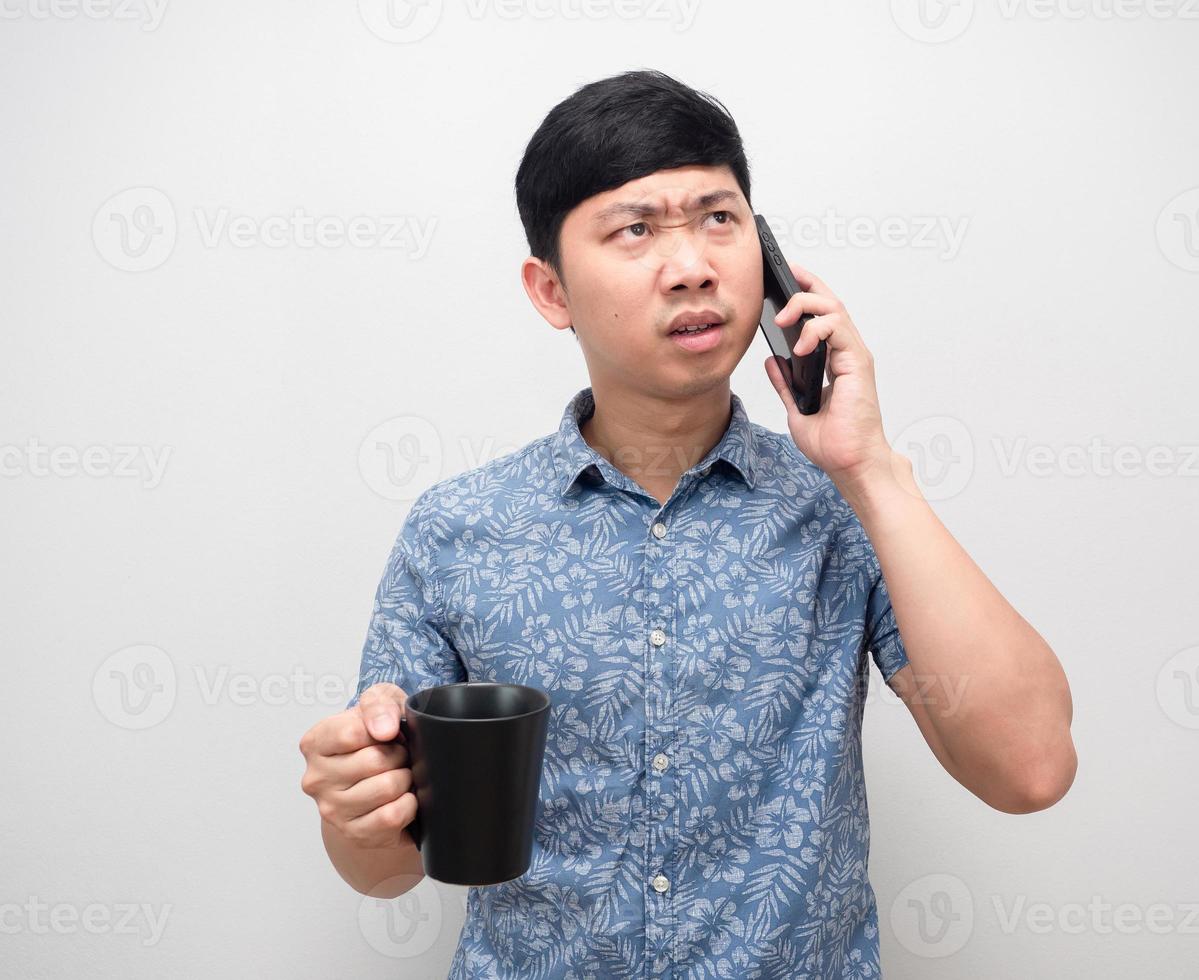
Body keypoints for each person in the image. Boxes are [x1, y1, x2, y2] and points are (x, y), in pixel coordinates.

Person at [298, 68, 1077, 978]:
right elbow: (383, 870)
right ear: (549, 291)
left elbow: (1029, 770)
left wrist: (869, 469)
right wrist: (356, 813)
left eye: (719, 218)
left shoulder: (845, 509)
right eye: (635, 230)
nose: (695, 266)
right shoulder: (456, 530)